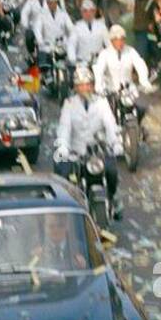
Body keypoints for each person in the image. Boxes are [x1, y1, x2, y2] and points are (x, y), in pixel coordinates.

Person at [53, 65, 124, 217]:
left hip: (98, 152)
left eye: (88, 84)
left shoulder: (101, 102)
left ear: (92, 85)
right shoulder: (69, 104)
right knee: (63, 175)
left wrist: (116, 142)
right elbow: (64, 127)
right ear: (76, 87)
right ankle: (66, 209)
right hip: (76, 152)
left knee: (112, 171)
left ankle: (112, 198)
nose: (85, 88)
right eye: (81, 85)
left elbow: (110, 123)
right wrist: (63, 147)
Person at [67, 0, 110, 67]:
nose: (88, 14)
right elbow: (71, 44)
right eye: (85, 11)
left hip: (99, 62)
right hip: (82, 63)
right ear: (81, 13)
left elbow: (109, 44)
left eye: (91, 11)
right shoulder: (77, 27)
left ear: (94, 12)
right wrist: (72, 59)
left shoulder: (102, 26)